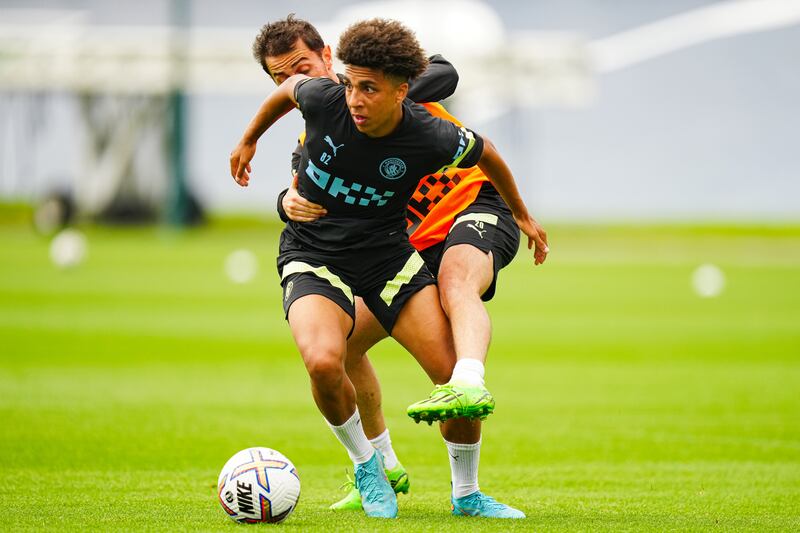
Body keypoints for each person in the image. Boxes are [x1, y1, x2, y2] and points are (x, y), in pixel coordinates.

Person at [231, 17, 547, 519]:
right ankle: (373, 467)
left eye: (304, 67)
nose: (353, 97)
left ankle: (466, 487)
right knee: (327, 358)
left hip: (416, 240)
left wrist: (384, 88)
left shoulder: (411, 116)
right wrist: (275, 189)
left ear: (327, 56)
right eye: (281, 77)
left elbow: (449, 82)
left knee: (451, 363)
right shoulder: (320, 106)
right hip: (325, 256)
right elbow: (301, 165)